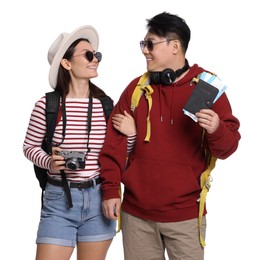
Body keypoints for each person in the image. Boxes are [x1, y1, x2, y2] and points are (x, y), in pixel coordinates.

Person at [99, 12, 241, 260]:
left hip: (185, 217)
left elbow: (227, 149)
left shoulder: (207, 88)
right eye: (143, 44)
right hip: (135, 216)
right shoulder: (135, 90)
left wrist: (217, 128)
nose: (144, 50)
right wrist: (111, 190)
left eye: (150, 43)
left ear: (175, 46)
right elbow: (113, 146)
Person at [23, 25, 135, 260]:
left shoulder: (106, 105)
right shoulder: (47, 105)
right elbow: (29, 147)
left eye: (97, 55)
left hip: (99, 198)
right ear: (66, 63)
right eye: (88, 55)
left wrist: (131, 132)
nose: (95, 60)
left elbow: (122, 152)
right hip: (58, 199)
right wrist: (49, 163)